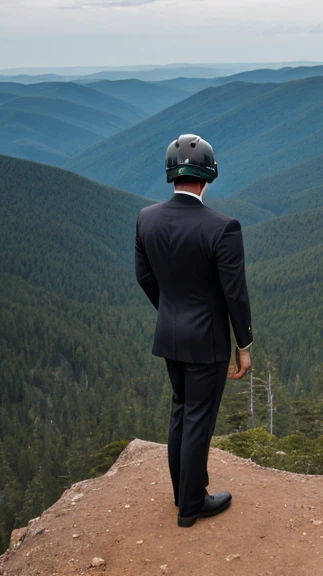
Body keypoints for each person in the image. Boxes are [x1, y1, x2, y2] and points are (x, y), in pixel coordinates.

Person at [134, 134, 253, 528]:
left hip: (169, 334)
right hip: (208, 341)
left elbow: (145, 277)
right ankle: (191, 505)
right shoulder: (223, 227)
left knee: (182, 412)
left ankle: (181, 494)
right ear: (208, 176)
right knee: (199, 418)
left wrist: (170, 311)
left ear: (172, 174)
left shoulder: (145, 218)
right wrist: (245, 344)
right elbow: (235, 294)